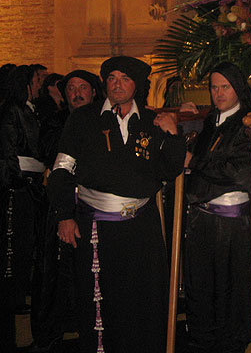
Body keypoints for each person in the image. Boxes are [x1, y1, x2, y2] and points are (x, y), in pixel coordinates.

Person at [48, 56, 186, 353]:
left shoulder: (151, 121)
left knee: (142, 299)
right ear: (105, 84)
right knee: (102, 302)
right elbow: (61, 170)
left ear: (136, 85)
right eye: (112, 78)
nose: (118, 85)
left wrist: (173, 135)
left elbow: (167, 170)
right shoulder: (83, 119)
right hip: (97, 228)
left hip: (142, 227)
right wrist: (64, 214)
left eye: (124, 79)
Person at [183, 62, 251, 353]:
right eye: (214, 87)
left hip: (231, 223)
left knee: (231, 288)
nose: (219, 92)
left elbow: (238, 172)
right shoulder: (210, 121)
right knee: (199, 285)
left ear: (238, 88)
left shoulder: (248, 124)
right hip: (201, 217)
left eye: (225, 86)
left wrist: (195, 163)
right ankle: (203, 340)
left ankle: (231, 344)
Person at [30, 70, 103, 352]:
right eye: (71, 88)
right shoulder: (56, 121)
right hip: (62, 206)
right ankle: (52, 332)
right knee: (54, 272)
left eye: (82, 87)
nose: (76, 93)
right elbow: (49, 151)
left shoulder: (103, 120)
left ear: (93, 91)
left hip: (94, 206)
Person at [0, 65, 47, 351]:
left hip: (27, 190)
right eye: (36, 80)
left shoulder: (27, 109)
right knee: (11, 257)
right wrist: (21, 182)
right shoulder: (11, 112)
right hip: (16, 194)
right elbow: (9, 156)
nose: (40, 85)